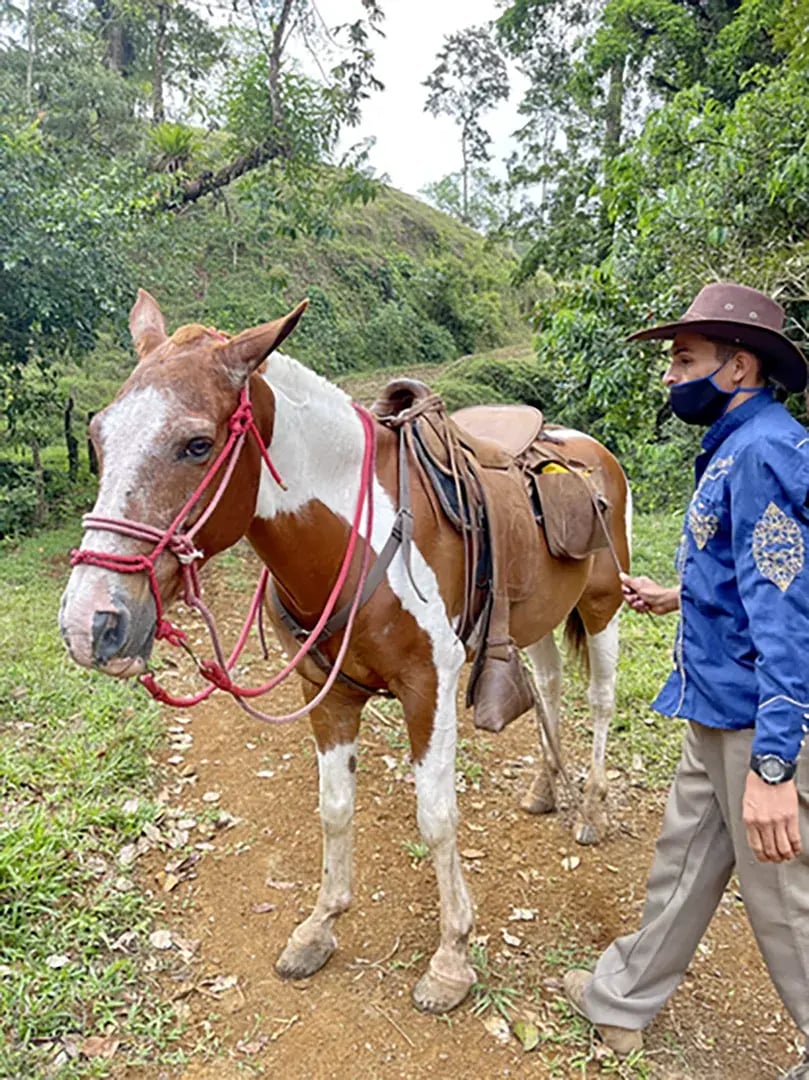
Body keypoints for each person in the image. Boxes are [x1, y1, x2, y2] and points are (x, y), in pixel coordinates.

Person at [563, 282, 809, 1079]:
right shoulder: (735, 447)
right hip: (713, 705)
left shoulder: (765, 452)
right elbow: (753, 573)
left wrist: (774, 769)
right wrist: (679, 595)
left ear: (737, 366)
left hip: (756, 724)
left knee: (785, 909)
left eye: (682, 359)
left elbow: (786, 613)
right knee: (682, 863)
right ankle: (621, 999)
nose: (669, 375)